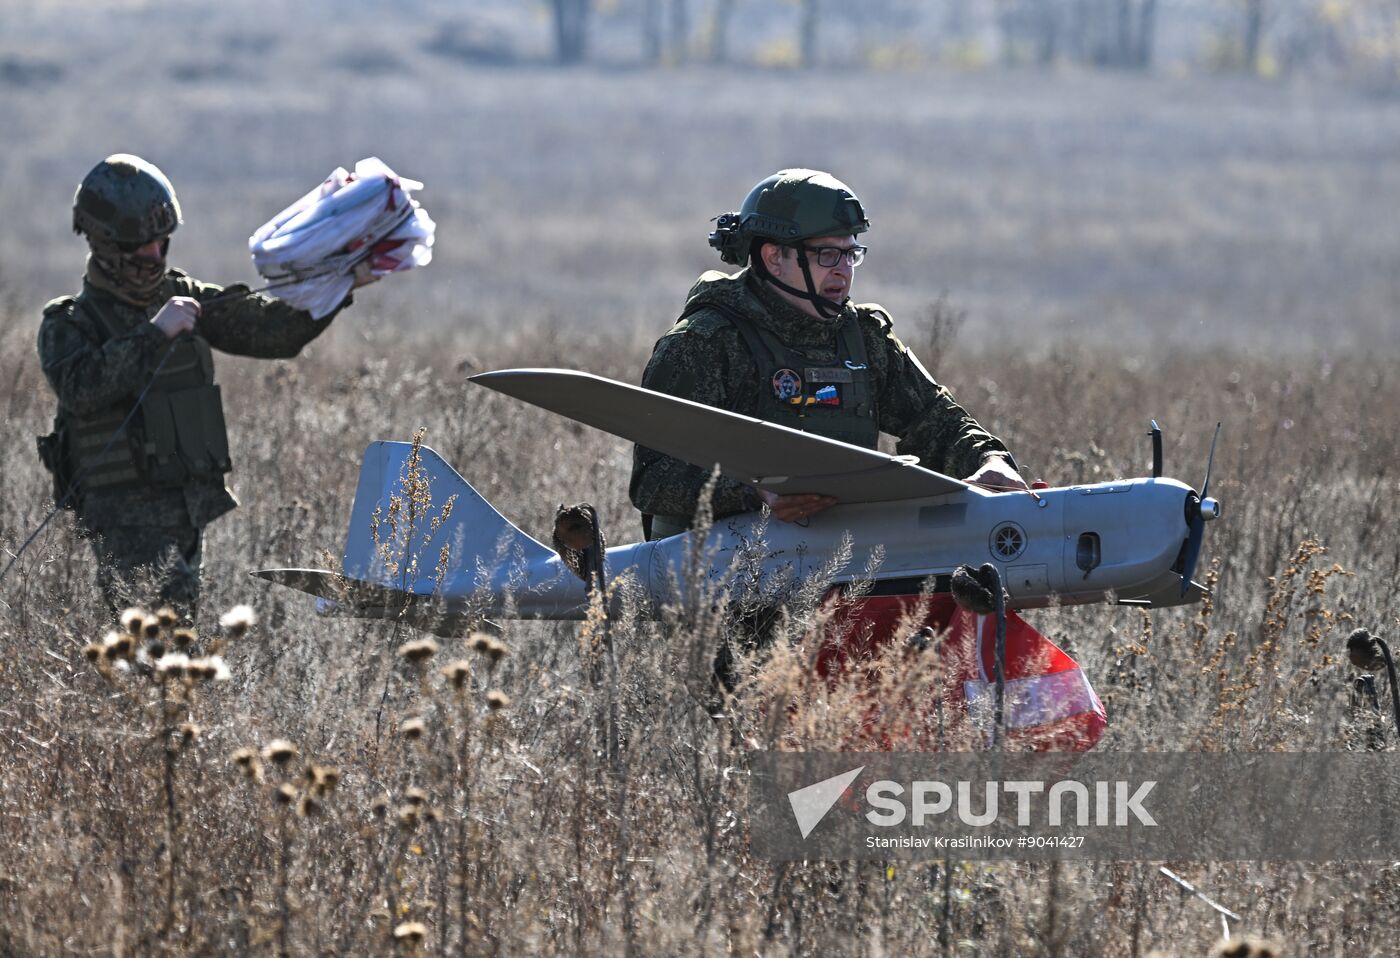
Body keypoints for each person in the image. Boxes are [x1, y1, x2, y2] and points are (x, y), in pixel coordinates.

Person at [36, 153, 377, 618]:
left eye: (162, 243)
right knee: (157, 648)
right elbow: (81, 388)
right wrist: (155, 333)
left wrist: (340, 283)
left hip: (187, 508)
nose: (156, 255)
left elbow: (270, 333)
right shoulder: (70, 323)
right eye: (143, 246)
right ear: (106, 244)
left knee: (172, 647)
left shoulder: (183, 296)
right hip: (124, 517)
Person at [630, 168, 1027, 541]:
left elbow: (937, 421)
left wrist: (988, 460)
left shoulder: (866, 339)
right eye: (826, 255)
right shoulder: (702, 344)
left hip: (842, 577)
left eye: (851, 254)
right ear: (773, 258)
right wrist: (754, 494)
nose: (843, 271)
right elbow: (655, 480)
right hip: (721, 587)